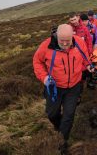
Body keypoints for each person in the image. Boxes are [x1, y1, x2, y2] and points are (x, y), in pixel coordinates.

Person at [33, 24, 92, 153]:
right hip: (55, 87)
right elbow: (37, 62)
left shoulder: (79, 42)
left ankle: (62, 143)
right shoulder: (46, 46)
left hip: (74, 87)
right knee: (52, 114)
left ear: (73, 36)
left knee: (68, 115)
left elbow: (85, 56)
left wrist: (88, 65)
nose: (65, 44)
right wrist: (44, 78)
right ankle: (60, 127)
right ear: (57, 37)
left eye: (68, 41)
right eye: (62, 41)